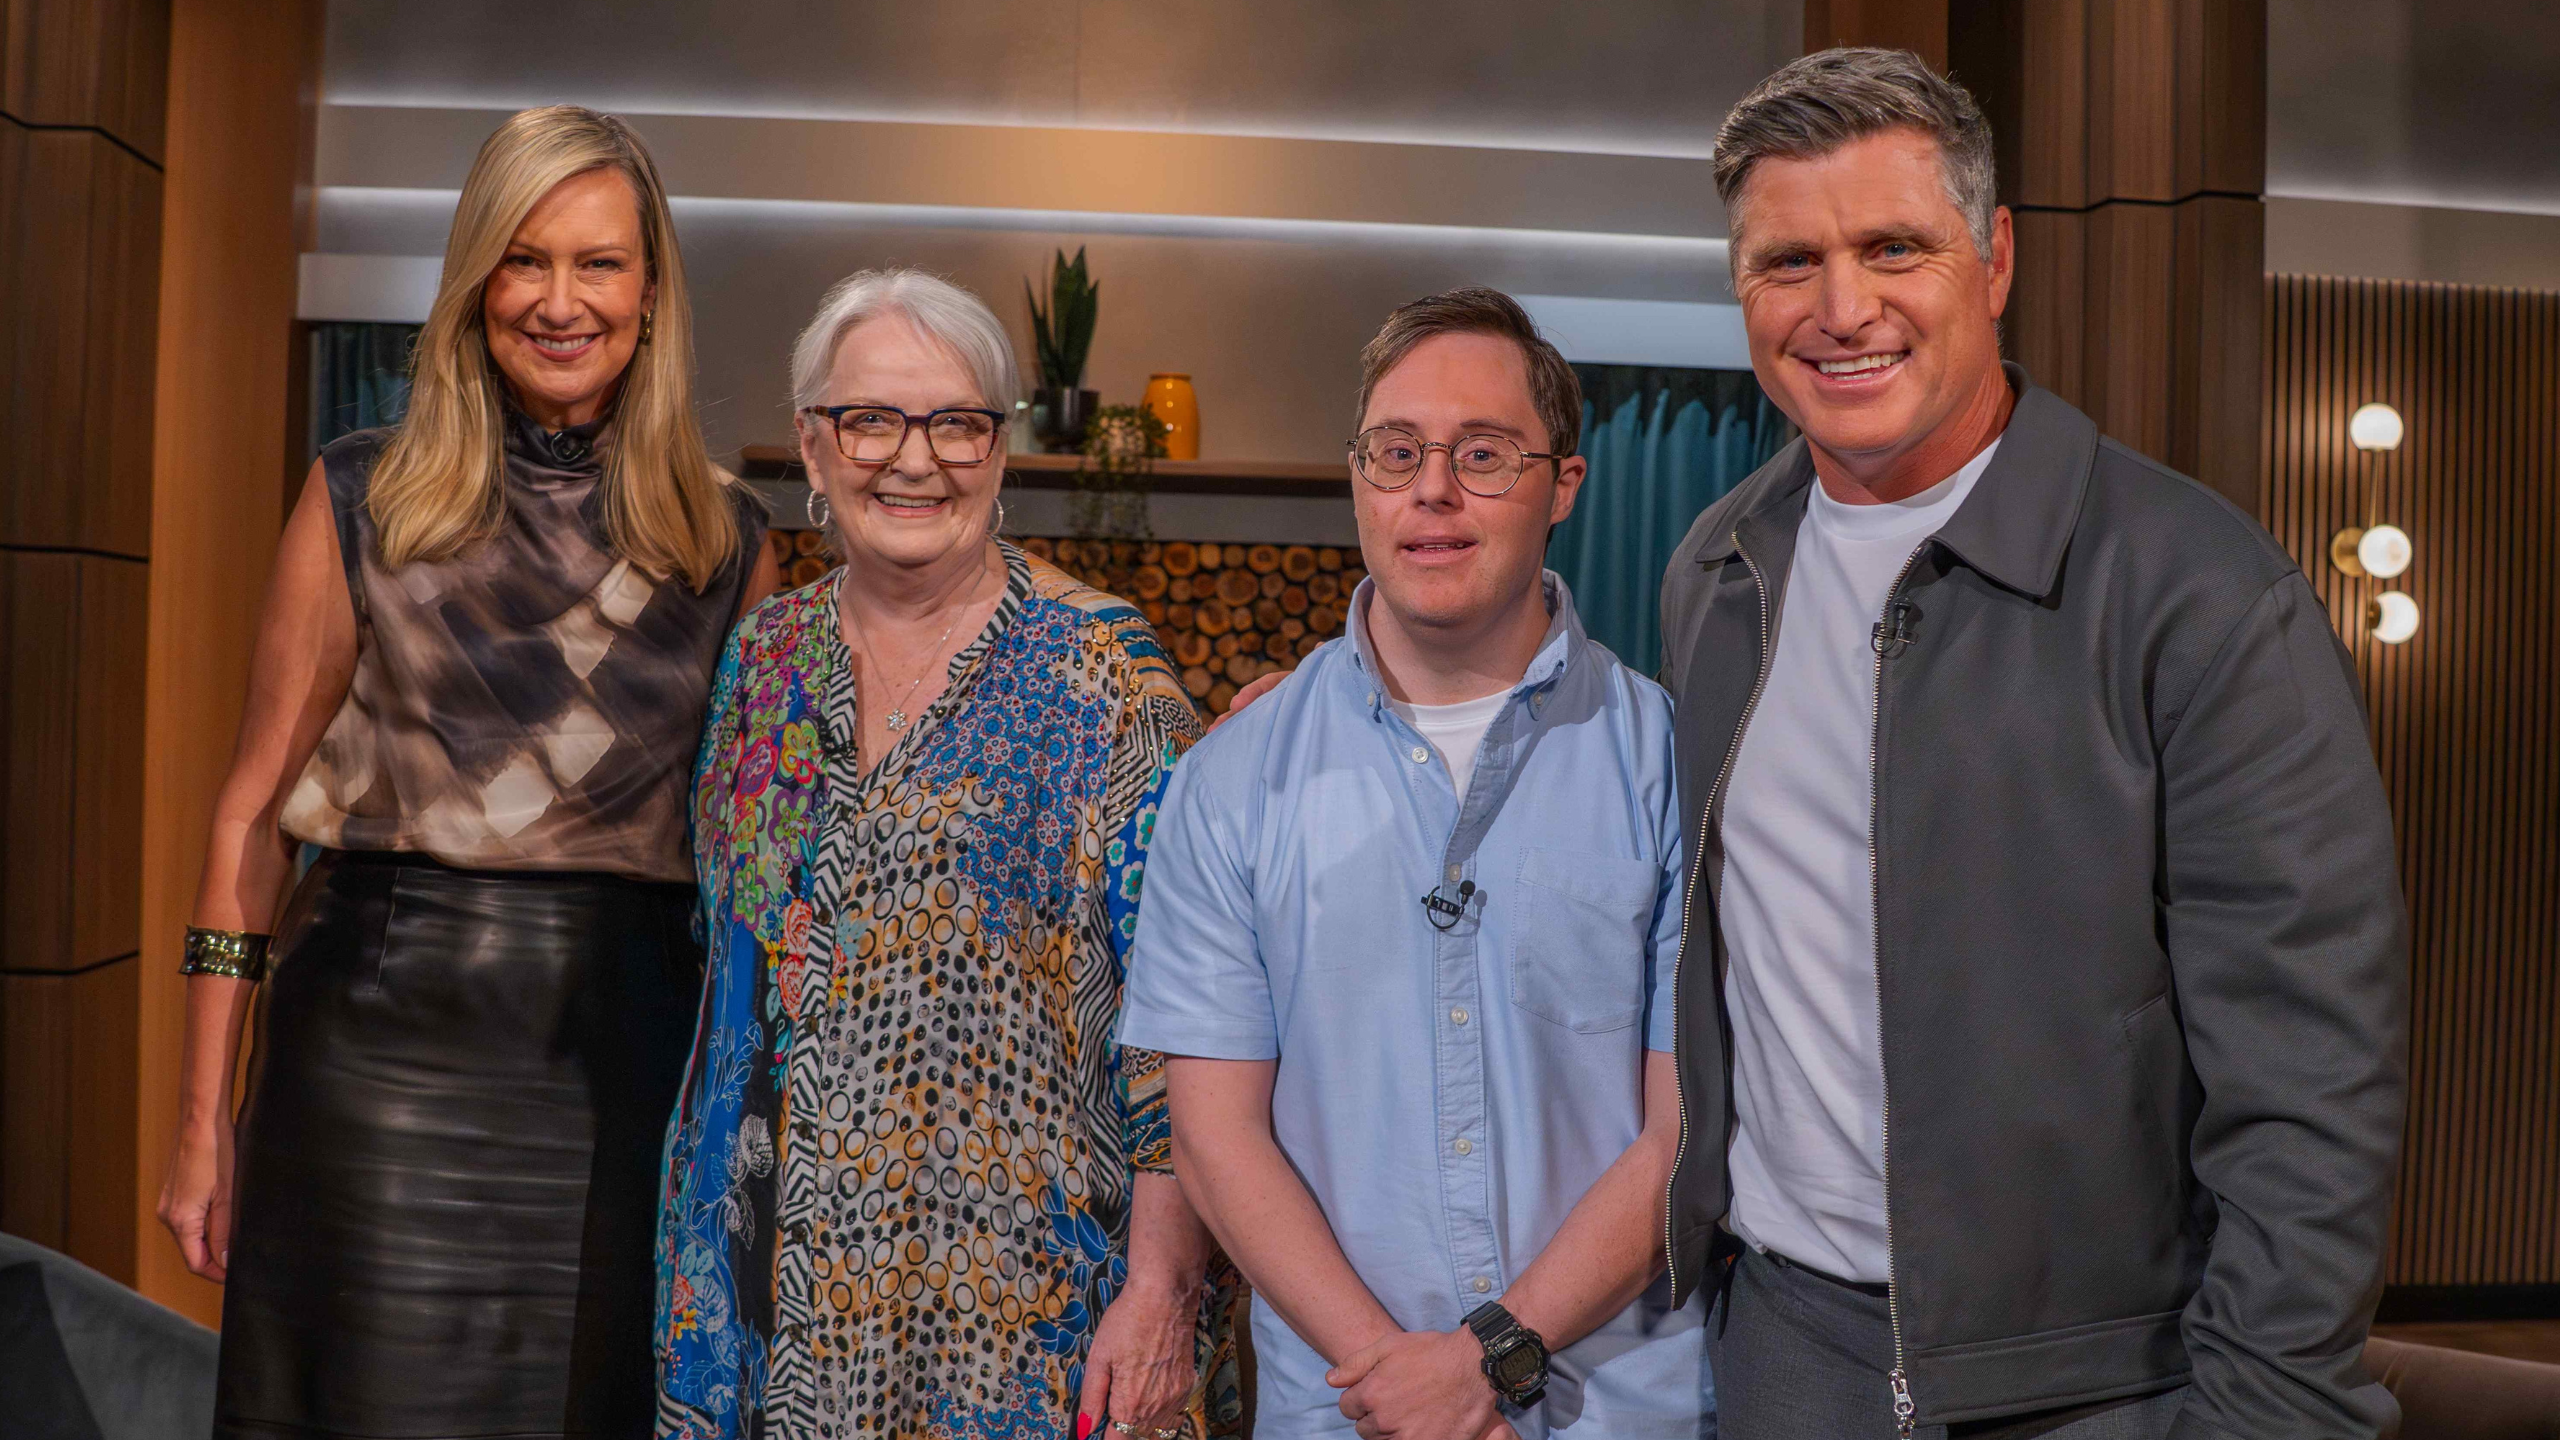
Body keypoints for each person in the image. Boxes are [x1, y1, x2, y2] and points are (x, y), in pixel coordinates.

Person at [1657, 50, 2408, 1439]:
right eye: (1787, 262)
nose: (1842, 308)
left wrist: (2263, 1415)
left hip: (2107, 1384)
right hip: (1783, 1352)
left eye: (1894, 246)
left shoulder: (2197, 590)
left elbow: (2311, 1089)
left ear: (1993, 259)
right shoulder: (1715, 572)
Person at [155, 106, 777, 1439]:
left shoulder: (730, 544)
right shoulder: (362, 499)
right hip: (374, 1066)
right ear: (475, 282)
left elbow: (762, 849)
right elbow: (250, 817)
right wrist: (203, 1122)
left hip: (624, 1069)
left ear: (652, 289)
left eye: (599, 263)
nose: (561, 301)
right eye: (524, 259)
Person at [654, 268, 1243, 1440]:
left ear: (1000, 450)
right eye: (870, 419)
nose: (912, 460)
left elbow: (1191, 1017)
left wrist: (1163, 1290)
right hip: (756, 1297)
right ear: (814, 451)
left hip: (1014, 1318)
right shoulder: (762, 660)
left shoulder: (1105, 677)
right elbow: (730, 977)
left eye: (955, 423)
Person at [1120, 288, 1709, 1440]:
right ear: (1358, 476)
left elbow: (1684, 1130)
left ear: (1564, 486)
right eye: (1397, 453)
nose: (1431, 490)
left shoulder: (1673, 761)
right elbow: (1214, 1133)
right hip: (1350, 1409)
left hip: (1616, 1409)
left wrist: (1488, 1357)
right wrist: (1398, 1375)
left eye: (1483, 454)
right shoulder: (1231, 778)